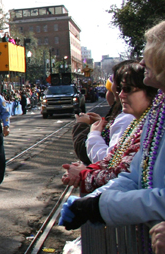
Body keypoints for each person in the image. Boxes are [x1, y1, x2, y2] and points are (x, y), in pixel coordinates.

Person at [60, 20, 165, 232]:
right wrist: (93, 202)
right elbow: (133, 176)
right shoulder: (156, 113)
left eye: (149, 57)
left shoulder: (149, 114)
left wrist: (96, 205)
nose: (142, 63)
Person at [62, 63, 159, 194]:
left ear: (150, 90)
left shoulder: (147, 124)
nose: (121, 95)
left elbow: (122, 173)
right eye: (119, 89)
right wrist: (86, 171)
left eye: (128, 89)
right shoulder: (137, 123)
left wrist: (84, 175)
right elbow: (112, 160)